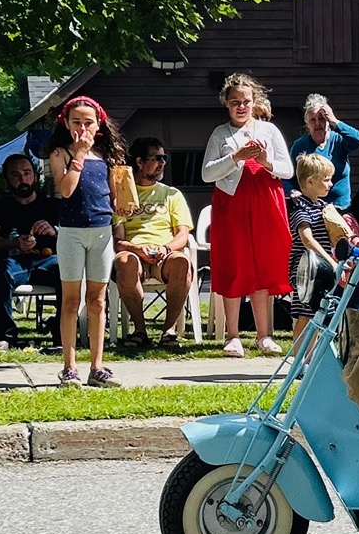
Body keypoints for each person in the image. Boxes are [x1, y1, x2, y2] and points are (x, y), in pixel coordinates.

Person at [202, 73, 294, 357]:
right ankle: (232, 335)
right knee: (234, 264)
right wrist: (236, 157)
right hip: (232, 203)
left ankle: (263, 335)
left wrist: (266, 161)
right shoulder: (220, 134)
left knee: (262, 266)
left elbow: (288, 171)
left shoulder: (269, 130)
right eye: (235, 103)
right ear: (226, 105)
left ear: (255, 102)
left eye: (245, 102)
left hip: (266, 200)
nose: (241, 107)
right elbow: (207, 174)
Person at [44, 96, 123, 387]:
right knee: (70, 300)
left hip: (101, 231)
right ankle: (69, 366)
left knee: (97, 300)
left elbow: (114, 195)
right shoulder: (60, 153)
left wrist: (124, 208)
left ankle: (97, 365)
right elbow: (65, 190)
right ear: (66, 123)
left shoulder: (107, 155)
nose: (82, 128)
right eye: (76, 122)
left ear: (99, 124)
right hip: (71, 232)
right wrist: (78, 155)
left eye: (88, 122)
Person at [111, 136, 195, 349]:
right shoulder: (122, 195)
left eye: (164, 158)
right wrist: (136, 249)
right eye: (157, 158)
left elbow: (183, 235)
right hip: (134, 253)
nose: (162, 163)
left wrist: (165, 249)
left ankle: (169, 330)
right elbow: (118, 240)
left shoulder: (171, 194)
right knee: (124, 261)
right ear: (139, 162)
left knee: (182, 262)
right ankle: (140, 330)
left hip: (164, 254)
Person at [0, 153, 60, 350]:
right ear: (7, 179)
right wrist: (14, 243)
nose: (23, 179)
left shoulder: (52, 205)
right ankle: (4, 336)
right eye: (15, 175)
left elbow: (74, 238)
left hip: (49, 261)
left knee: (69, 273)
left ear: (35, 175)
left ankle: (62, 332)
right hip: (14, 263)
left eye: (26, 173)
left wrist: (55, 231)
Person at [288, 153, 339, 343]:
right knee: (306, 313)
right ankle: (301, 362)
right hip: (305, 270)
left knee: (320, 312)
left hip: (320, 269)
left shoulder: (322, 207)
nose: (330, 184)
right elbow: (307, 240)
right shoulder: (301, 209)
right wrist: (331, 261)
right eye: (326, 180)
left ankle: (311, 357)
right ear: (310, 181)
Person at [286, 94, 359, 208]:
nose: (317, 124)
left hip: (340, 207)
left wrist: (335, 121)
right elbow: (287, 176)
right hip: (311, 208)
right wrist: (291, 191)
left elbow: (357, 141)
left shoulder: (338, 140)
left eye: (322, 118)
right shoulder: (299, 145)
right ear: (307, 123)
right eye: (313, 120)